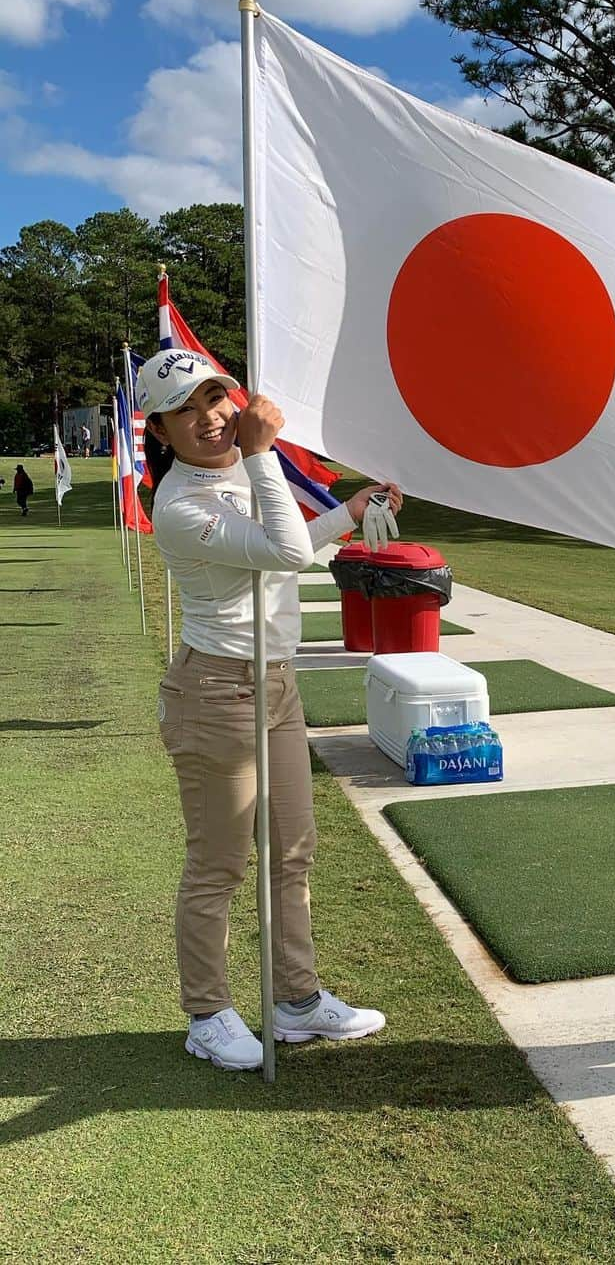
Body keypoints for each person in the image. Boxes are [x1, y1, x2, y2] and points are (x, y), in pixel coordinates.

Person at [139, 347, 403, 1071]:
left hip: (276, 684)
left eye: (215, 399)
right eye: (184, 412)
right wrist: (263, 455)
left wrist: (348, 511)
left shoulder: (239, 477)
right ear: (159, 432)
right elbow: (286, 553)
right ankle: (208, 1014)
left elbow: (285, 545)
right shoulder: (180, 504)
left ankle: (295, 999)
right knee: (220, 863)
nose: (209, 419)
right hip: (215, 692)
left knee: (292, 850)